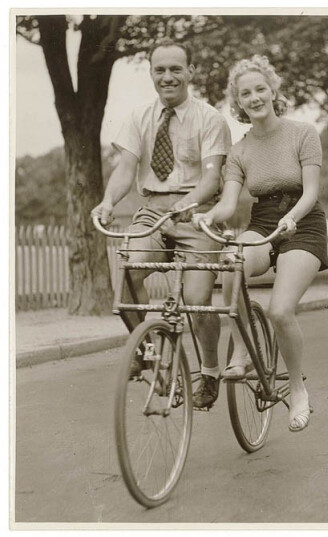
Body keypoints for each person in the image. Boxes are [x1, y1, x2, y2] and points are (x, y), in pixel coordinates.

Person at [91, 38, 232, 409]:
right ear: (152, 73)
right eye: (160, 70)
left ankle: (211, 371)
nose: (167, 77)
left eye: (175, 69)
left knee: (197, 300)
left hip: (196, 213)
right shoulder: (139, 117)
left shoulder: (211, 119)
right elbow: (125, 170)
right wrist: (107, 202)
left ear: (191, 72)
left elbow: (212, 177)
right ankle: (150, 351)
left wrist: (189, 204)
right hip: (152, 211)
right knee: (125, 276)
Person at [193, 55, 328, 431]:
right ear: (238, 102)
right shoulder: (239, 150)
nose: (254, 98)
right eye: (245, 93)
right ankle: (243, 349)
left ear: (273, 91)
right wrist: (209, 216)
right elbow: (229, 202)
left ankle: (297, 389)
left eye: (260, 89)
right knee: (230, 260)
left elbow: (312, 192)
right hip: (264, 221)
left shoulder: (303, 133)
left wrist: (292, 219)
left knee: (281, 311)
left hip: (303, 222)